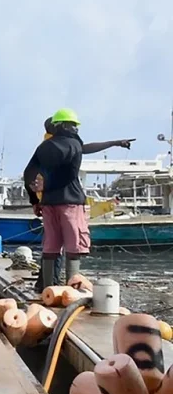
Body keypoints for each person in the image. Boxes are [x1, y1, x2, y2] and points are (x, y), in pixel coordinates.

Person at [23, 108, 134, 292]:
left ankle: (48, 290)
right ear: (67, 127)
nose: (76, 130)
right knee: (74, 247)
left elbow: (28, 174)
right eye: (74, 126)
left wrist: (35, 199)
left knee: (50, 247)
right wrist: (114, 143)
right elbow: (72, 171)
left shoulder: (44, 147)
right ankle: (71, 290)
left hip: (49, 204)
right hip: (71, 203)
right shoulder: (74, 145)